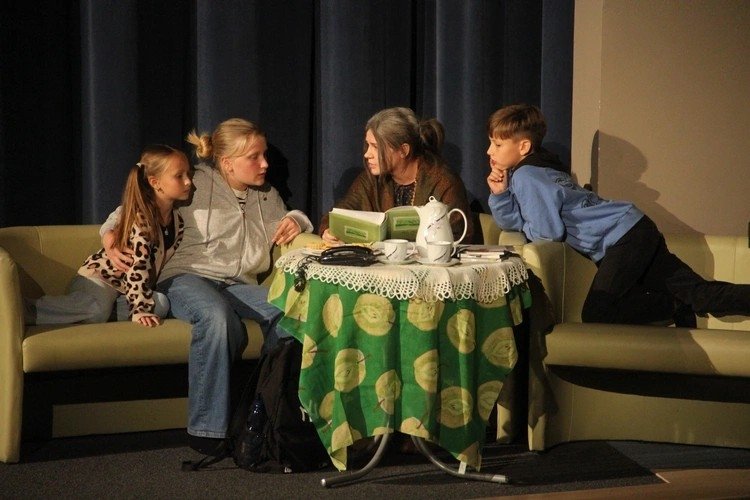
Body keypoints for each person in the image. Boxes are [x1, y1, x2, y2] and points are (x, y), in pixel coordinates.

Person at [102, 118, 314, 454]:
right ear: (227, 163)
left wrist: (298, 219)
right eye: (254, 157)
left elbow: (292, 221)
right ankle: (207, 432)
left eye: (264, 155)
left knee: (289, 311)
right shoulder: (196, 182)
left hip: (237, 285)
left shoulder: (268, 197)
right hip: (186, 277)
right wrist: (110, 235)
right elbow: (136, 204)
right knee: (216, 317)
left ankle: (265, 416)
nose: (265, 164)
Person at [485, 103, 750, 326]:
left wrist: (520, 216)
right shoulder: (544, 168)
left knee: (597, 312)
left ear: (523, 146)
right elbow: (518, 223)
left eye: (497, 144)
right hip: (636, 227)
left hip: (624, 238)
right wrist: (501, 195)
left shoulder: (527, 176)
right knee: (698, 293)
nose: (489, 151)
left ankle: (674, 305)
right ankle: (679, 304)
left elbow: (546, 233)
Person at [26, 145, 191, 327]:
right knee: (98, 308)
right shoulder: (141, 218)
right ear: (155, 182)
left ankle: (103, 312)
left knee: (161, 304)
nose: (188, 182)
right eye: (179, 176)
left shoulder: (177, 221)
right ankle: (28, 311)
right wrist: (140, 308)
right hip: (101, 279)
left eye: (188, 174)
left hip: (126, 290)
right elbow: (138, 267)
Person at [319, 106, 474, 243]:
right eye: (368, 145)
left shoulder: (443, 181)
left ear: (403, 150)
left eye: (375, 147)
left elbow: (457, 234)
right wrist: (329, 230)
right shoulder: (372, 179)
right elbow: (340, 213)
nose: (367, 154)